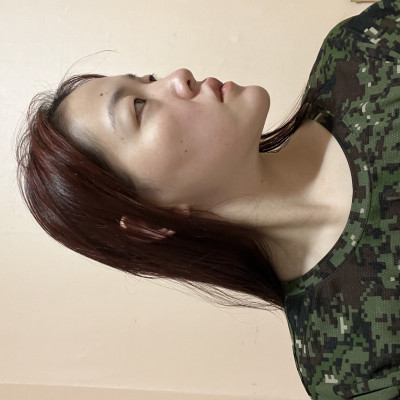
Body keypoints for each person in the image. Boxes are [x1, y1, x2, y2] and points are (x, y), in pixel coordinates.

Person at [16, 0, 400, 398]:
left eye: (149, 79)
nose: (179, 76)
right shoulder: (347, 366)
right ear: (150, 221)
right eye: (138, 106)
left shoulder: (361, 56)